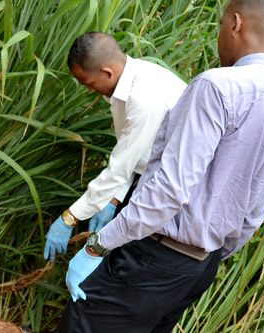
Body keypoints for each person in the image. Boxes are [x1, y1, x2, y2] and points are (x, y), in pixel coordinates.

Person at [57, 0, 264, 332]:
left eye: (219, 25)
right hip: (200, 267)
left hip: (155, 254)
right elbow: (254, 209)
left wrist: (98, 244)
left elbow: (169, 191)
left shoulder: (217, 86)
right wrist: (209, 250)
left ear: (235, 23)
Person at [43, 32, 187, 262]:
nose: (90, 90)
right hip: (153, 178)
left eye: (89, 83)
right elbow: (133, 152)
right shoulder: (127, 85)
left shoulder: (145, 97)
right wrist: (113, 199)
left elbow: (120, 167)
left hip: (180, 197)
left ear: (107, 72)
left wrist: (69, 218)